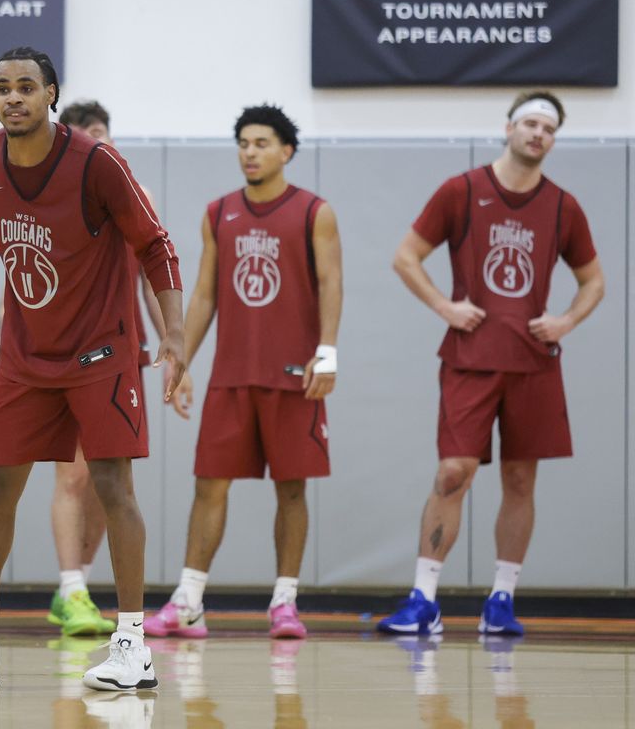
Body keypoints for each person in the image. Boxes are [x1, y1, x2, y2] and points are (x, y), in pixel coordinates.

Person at [0, 46, 184, 691]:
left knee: (112, 486)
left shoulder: (96, 162)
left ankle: (131, 647)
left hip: (102, 351)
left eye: (26, 87)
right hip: (26, 358)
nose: (13, 97)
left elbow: (154, 244)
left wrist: (176, 332)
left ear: (52, 93)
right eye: (2, 88)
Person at [379, 91, 604, 636]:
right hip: (471, 360)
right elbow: (405, 257)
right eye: (529, 123)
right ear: (507, 128)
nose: (537, 134)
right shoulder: (462, 190)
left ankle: (501, 600)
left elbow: (593, 280)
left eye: (547, 128)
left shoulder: (562, 206)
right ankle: (424, 599)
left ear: (553, 140)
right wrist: (444, 306)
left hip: (534, 363)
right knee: (452, 473)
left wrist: (566, 321)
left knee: (521, 481)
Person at [145, 105, 343, 640]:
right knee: (209, 485)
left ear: (286, 151)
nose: (250, 152)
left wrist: (327, 352)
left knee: (292, 490)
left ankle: (285, 602)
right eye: (243, 143)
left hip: (293, 374)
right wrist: (181, 358)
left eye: (261, 143)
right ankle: (187, 602)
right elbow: (206, 291)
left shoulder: (314, 212)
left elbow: (330, 282)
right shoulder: (219, 212)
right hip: (232, 375)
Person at [39, 99, 166, 637]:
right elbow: (23, 279)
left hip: (120, 350)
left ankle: (78, 590)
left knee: (104, 480)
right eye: (87, 132)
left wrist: (171, 344)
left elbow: (152, 274)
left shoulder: (133, 195)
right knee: (72, 473)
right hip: (58, 352)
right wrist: (1, 350)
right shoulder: (51, 194)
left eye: (104, 132)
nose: (98, 140)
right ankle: (71, 590)